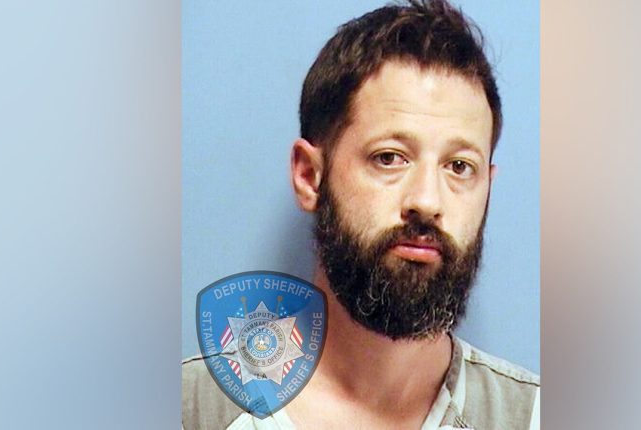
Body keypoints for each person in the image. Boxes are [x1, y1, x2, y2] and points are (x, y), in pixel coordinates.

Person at [183, 1, 539, 428]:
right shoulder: (189, 410)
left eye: (459, 167)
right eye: (389, 158)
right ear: (309, 176)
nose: (428, 201)